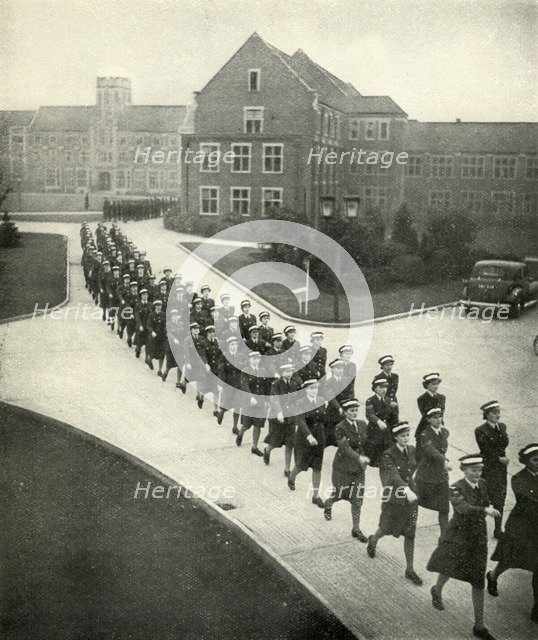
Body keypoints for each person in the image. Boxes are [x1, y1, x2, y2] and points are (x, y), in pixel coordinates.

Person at [427, 454, 500, 640]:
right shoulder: (455, 488)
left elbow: (486, 499)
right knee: (449, 568)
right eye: (474, 470)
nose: (478, 473)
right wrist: (485, 510)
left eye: (480, 469)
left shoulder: (482, 484)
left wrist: (488, 505)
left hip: (478, 538)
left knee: (477, 579)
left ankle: (479, 626)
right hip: (458, 536)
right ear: (464, 470)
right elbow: (463, 508)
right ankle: (437, 589)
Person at [366, 422, 423, 586]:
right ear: (396, 437)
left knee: (410, 533)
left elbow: (418, 464)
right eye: (403, 435)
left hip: (411, 498)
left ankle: (410, 569)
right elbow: (392, 475)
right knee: (386, 528)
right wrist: (406, 490)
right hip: (395, 498)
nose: (406, 438)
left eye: (407, 435)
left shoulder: (412, 450)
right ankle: (374, 540)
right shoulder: (388, 455)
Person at [487, 443, 538, 623]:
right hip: (521, 527)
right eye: (535, 459)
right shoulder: (518, 478)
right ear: (526, 461)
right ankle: (492, 576)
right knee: (509, 559)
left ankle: (537, 607)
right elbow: (526, 501)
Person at [287, 380, 339, 508]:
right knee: (301, 464)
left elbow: (324, 420)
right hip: (305, 439)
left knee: (317, 467)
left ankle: (316, 496)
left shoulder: (322, 401)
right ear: (305, 390)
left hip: (319, 437)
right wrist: (309, 436)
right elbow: (300, 421)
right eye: (311, 389)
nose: (314, 390)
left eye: (315, 388)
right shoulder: (300, 403)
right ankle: (292, 477)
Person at [323, 399, 370, 541]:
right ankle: (328, 504)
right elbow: (345, 447)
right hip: (342, 467)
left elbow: (365, 443)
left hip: (358, 468)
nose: (355, 413)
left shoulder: (362, 424)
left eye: (356, 410)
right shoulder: (339, 427)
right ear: (345, 412)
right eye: (351, 410)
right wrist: (359, 457)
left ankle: (356, 529)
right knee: (339, 494)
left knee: (357, 499)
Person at [475, 401, 510, 540]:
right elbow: (485, 449)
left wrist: (502, 459)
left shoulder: (502, 427)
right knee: (485, 498)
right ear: (487, 414)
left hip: (501, 468)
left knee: (500, 498)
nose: (497, 415)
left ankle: (498, 529)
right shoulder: (480, 430)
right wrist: (499, 458)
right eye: (494, 413)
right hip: (489, 468)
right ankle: (478, 529)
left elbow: (503, 444)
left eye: (498, 412)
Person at [415, 407, 451, 537]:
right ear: (428, 419)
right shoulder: (425, 434)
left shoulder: (445, 432)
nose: (438, 420)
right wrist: (444, 461)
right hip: (426, 475)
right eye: (434, 417)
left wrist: (443, 461)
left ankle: (444, 537)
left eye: (439, 416)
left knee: (444, 507)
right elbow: (431, 451)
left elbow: (441, 450)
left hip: (440, 475)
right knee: (413, 503)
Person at [263, 363, 302, 476]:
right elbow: (275, 400)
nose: (289, 373)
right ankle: (267, 450)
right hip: (278, 417)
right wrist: (279, 413)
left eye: (290, 371)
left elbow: (296, 400)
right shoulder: (276, 384)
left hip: (290, 418)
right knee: (275, 442)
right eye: (286, 371)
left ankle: (287, 469)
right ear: (282, 372)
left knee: (290, 443)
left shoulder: (294, 384)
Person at [236, 351, 269, 455]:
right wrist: (251, 398)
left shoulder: (263, 370)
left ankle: (254, 447)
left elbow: (266, 387)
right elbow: (244, 386)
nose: (256, 361)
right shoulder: (245, 371)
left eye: (258, 359)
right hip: (249, 402)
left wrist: (267, 400)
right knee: (247, 425)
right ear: (250, 360)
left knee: (258, 425)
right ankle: (241, 433)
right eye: (254, 359)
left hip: (260, 403)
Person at [364, 377, 397, 467]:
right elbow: (369, 414)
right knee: (374, 455)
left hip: (386, 430)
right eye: (380, 387)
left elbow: (392, 417)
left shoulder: (388, 400)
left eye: (385, 387)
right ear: (375, 389)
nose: (383, 390)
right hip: (374, 430)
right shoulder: (370, 400)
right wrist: (378, 421)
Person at [216, 336, 244, 430]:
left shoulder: (240, 356)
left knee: (237, 406)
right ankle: (222, 413)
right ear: (228, 346)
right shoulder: (224, 356)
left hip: (238, 385)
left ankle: (235, 427)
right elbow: (221, 371)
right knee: (227, 404)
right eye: (232, 344)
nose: (234, 346)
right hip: (228, 384)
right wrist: (220, 384)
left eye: (236, 344)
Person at [415, 373, 446, 454]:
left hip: (439, 425)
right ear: (427, 385)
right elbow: (425, 415)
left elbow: (442, 413)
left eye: (437, 384)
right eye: (433, 384)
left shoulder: (442, 397)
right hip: (426, 426)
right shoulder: (422, 399)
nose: (436, 386)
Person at [161, 309, 183, 387]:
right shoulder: (168, 324)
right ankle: (166, 372)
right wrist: (174, 339)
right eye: (173, 316)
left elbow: (183, 333)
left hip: (179, 347)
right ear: (171, 317)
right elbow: (168, 333)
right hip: (171, 347)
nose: (175, 317)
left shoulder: (181, 324)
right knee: (169, 364)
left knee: (180, 364)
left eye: (176, 316)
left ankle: (178, 381)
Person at [374, 355, 399, 420]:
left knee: (395, 420)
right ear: (382, 366)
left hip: (394, 402)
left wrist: (393, 401)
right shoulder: (378, 377)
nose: (389, 367)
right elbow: (376, 390)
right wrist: (389, 402)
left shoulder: (395, 376)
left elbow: (394, 390)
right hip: (384, 403)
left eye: (391, 365)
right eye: (387, 365)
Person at [146, 299, 166, 375]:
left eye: (160, 306)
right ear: (155, 307)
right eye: (157, 306)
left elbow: (165, 325)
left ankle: (160, 370)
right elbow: (148, 325)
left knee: (162, 354)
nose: (159, 307)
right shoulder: (151, 315)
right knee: (152, 351)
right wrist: (152, 332)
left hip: (162, 337)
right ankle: (149, 361)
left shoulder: (164, 315)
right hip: (153, 336)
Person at [133, 288, 151, 360]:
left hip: (148, 327)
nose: (145, 296)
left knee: (148, 343)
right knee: (139, 343)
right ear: (141, 296)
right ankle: (138, 350)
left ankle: (147, 358)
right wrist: (140, 325)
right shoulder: (138, 305)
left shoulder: (151, 304)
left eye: (146, 295)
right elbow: (137, 316)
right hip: (141, 327)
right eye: (143, 295)